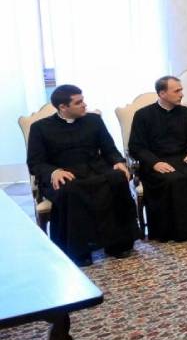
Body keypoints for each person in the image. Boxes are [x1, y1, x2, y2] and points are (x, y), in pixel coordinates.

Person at [26, 85, 138, 266]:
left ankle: (118, 243)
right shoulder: (40, 128)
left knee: (117, 179)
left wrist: (118, 161)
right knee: (72, 189)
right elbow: (35, 163)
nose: (84, 105)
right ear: (63, 107)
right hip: (63, 173)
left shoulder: (93, 120)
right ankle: (80, 249)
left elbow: (109, 149)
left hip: (95, 169)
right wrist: (54, 171)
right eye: (78, 102)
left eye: (83, 100)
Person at [129, 76, 187, 243]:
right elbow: (136, 147)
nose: (182, 94)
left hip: (184, 159)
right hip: (157, 163)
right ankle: (176, 231)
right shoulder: (143, 115)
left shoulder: (185, 112)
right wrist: (155, 163)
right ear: (162, 93)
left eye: (181, 90)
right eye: (177, 91)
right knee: (173, 179)